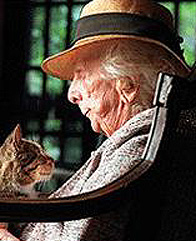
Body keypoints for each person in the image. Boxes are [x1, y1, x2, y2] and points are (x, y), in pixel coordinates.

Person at [0, 0, 191, 240]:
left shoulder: (136, 151)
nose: (71, 94)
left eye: (80, 75)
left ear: (127, 86)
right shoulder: (150, 138)